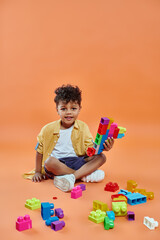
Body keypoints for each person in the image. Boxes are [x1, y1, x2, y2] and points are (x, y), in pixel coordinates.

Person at [32, 84, 114, 192]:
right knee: (49, 162)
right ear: (57, 109)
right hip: (57, 164)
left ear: (79, 109)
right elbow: (39, 151)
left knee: (102, 157)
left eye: (73, 108)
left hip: (77, 161)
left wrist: (102, 147)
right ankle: (83, 175)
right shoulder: (48, 129)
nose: (69, 112)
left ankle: (71, 178)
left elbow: (90, 149)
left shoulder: (83, 127)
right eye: (64, 109)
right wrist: (37, 172)